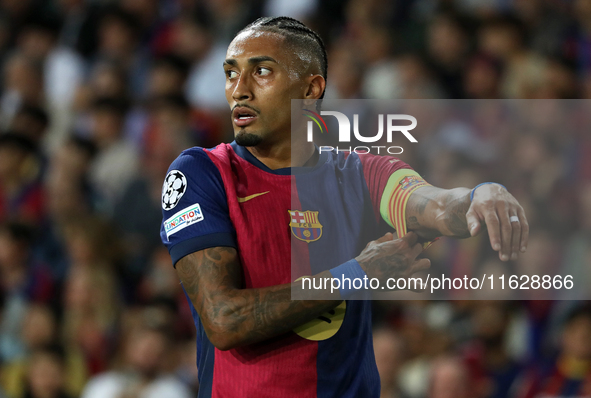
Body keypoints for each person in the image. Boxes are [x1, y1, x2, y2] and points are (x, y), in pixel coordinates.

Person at [159, 16, 529, 397]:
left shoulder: (360, 173)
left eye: (262, 72)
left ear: (311, 88)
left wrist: (479, 194)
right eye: (231, 74)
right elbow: (224, 319)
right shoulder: (202, 173)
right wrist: (359, 272)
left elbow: (431, 204)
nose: (239, 90)